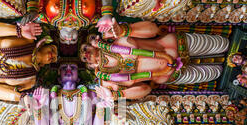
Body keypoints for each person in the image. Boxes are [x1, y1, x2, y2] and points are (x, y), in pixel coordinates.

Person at [80, 19, 228, 100]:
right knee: (219, 73)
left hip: (176, 46)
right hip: (175, 74)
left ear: (91, 43)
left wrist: (126, 30)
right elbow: (146, 89)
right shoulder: (110, 79)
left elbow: (154, 30)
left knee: (224, 44)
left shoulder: (118, 39)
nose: (86, 55)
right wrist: (119, 95)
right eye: (84, 58)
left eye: (84, 49)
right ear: (90, 65)